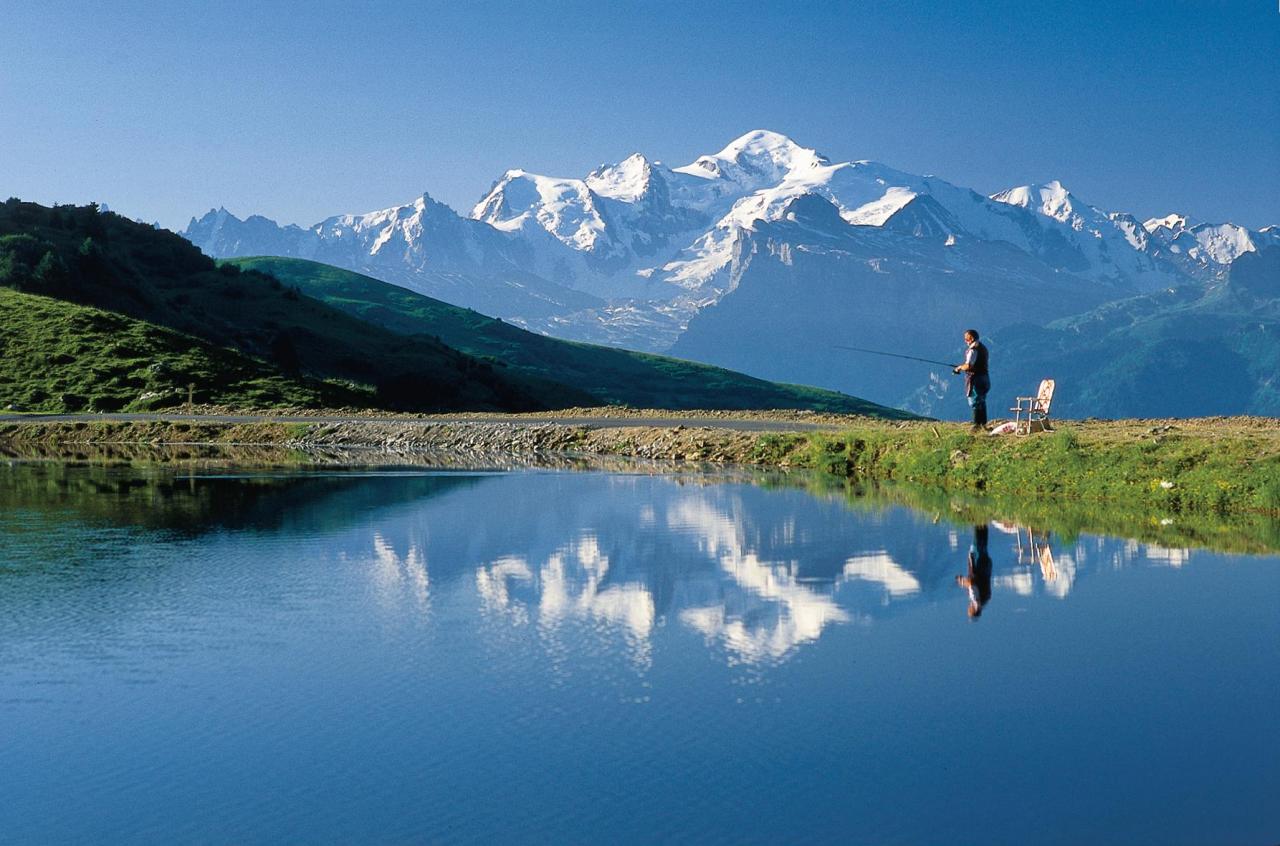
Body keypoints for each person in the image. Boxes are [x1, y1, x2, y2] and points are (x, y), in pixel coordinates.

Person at [953, 328, 990, 431]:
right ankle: (983, 424)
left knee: (974, 401)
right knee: (982, 401)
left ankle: (976, 425)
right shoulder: (983, 348)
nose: (965, 341)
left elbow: (969, 365)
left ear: (972, 338)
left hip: (976, 379)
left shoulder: (973, 350)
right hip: (985, 377)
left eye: (966, 338)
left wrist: (959, 368)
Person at [955, 524, 993, 618]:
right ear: (974, 610)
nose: (969, 607)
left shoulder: (985, 599)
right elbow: (972, 583)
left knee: (983, 542)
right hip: (978, 564)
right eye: (969, 610)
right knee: (978, 541)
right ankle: (978, 518)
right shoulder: (976, 600)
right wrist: (962, 581)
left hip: (986, 567)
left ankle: (983, 520)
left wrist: (964, 582)